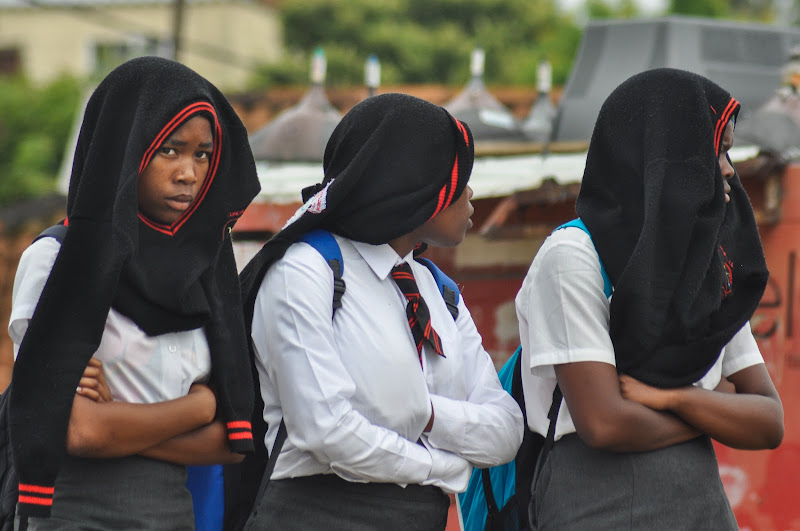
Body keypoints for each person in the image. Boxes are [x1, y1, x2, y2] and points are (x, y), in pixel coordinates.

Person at [238, 93, 524, 530]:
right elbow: (325, 431)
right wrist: (445, 468)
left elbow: (505, 431)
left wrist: (425, 412)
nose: (470, 194)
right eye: (457, 178)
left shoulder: (436, 290)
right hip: (315, 515)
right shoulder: (306, 270)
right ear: (415, 185)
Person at [515, 68, 784, 530]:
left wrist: (672, 397)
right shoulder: (573, 257)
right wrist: (714, 408)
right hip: (598, 500)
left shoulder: (705, 266)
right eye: (714, 151)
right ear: (663, 156)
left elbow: (768, 420)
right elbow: (604, 424)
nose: (727, 169)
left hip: (700, 502)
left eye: (728, 154)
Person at [7, 56, 260, 529]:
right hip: (76, 513)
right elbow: (81, 432)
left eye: (202, 154)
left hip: (173, 512)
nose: (189, 172)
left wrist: (121, 419)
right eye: (170, 150)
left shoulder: (207, 270)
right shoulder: (60, 261)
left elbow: (232, 441)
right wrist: (197, 406)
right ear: (125, 150)